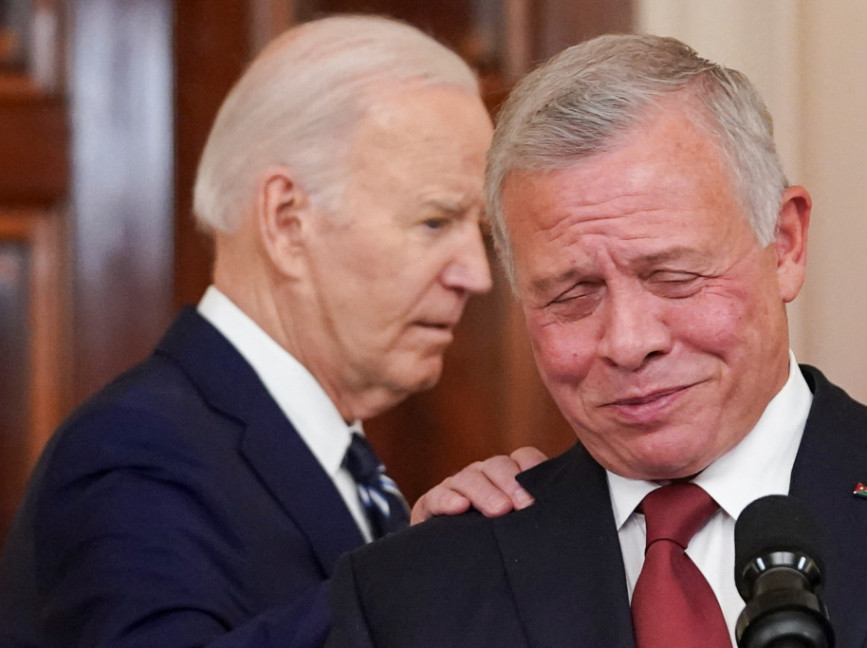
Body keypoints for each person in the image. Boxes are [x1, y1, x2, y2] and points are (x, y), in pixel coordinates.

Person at [325, 33, 867, 648]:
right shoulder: (420, 589)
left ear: (786, 242)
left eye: (674, 276)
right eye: (571, 295)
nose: (628, 340)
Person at [0, 15, 541, 648]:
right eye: (434, 222)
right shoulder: (134, 451)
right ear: (287, 221)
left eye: (474, 232)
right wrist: (420, 576)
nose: (476, 275)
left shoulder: (339, 464)